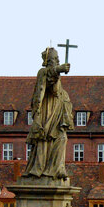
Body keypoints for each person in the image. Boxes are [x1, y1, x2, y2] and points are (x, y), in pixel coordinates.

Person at [24, 47, 73, 180]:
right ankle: (40, 169)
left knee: (62, 138)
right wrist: (58, 70)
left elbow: (57, 91)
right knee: (43, 139)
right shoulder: (43, 72)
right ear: (47, 61)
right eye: (55, 59)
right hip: (46, 111)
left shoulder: (56, 76)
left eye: (58, 59)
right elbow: (49, 78)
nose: (57, 61)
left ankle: (56, 169)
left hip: (57, 112)